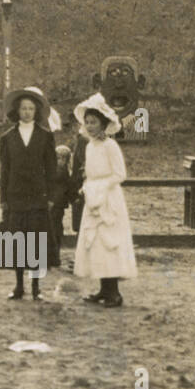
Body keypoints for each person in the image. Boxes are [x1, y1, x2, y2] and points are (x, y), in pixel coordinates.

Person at [73, 93, 137, 307]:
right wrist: (87, 186)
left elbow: (120, 174)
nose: (90, 126)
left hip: (108, 199)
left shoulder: (110, 146)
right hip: (93, 198)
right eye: (87, 122)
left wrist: (101, 187)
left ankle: (114, 293)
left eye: (94, 122)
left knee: (110, 243)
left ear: (104, 124)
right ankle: (103, 289)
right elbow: (90, 173)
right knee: (96, 244)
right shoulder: (90, 146)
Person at [0, 89, 55, 300]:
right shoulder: (7, 137)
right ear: (17, 110)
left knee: (37, 241)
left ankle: (36, 288)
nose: (27, 112)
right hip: (16, 196)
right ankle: (19, 286)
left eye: (31, 108)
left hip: (38, 196)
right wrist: (3, 199)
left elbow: (51, 168)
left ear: (36, 111)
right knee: (18, 241)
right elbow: (4, 170)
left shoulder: (46, 136)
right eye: (23, 108)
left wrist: (50, 197)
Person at [47, 144, 76, 269]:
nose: (61, 161)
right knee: (53, 230)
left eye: (64, 158)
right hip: (53, 204)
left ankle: (53, 257)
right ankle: (52, 257)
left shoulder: (60, 172)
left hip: (57, 205)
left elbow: (69, 189)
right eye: (58, 158)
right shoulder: (59, 172)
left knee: (55, 230)